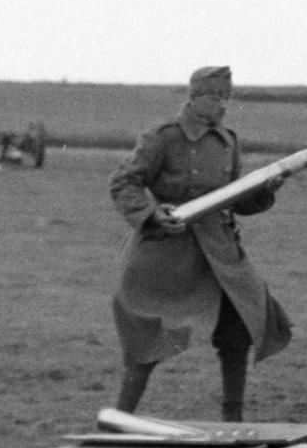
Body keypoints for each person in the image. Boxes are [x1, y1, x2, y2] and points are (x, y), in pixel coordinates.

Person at [108, 66, 296, 423]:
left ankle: (233, 421)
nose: (223, 105)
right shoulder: (163, 136)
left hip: (221, 254)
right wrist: (152, 213)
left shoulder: (228, 140)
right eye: (215, 97)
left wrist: (264, 191)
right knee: (148, 337)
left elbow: (234, 199)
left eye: (227, 98)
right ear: (194, 98)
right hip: (168, 250)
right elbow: (124, 182)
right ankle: (117, 421)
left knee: (241, 324)